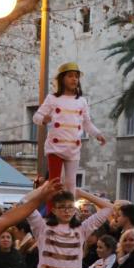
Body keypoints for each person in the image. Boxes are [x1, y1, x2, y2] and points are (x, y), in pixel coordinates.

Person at [31, 62, 106, 190]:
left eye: (76, 76)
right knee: (54, 182)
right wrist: (44, 119)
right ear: (62, 79)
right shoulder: (52, 98)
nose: (74, 79)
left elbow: (86, 123)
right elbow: (35, 117)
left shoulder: (82, 101)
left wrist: (97, 134)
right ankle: (51, 210)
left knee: (71, 184)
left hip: (73, 148)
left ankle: (70, 209)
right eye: (70, 76)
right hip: (55, 147)